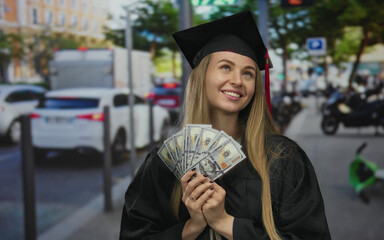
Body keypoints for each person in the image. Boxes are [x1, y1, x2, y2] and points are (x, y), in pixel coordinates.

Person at [120, 11, 331, 240]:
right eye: (226, 67)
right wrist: (190, 228)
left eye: (248, 73)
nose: (238, 81)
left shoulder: (283, 158)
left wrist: (225, 223)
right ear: (202, 76)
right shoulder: (164, 161)